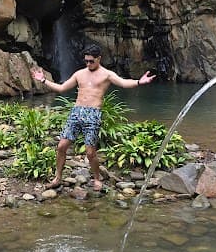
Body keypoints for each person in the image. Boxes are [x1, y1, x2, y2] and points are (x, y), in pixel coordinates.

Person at [31, 43, 155, 191]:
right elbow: (62, 88)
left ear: (99, 58)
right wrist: (44, 80)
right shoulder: (79, 74)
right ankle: (57, 178)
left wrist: (139, 82)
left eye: (91, 61)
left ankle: (97, 178)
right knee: (61, 146)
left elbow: (123, 83)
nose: (88, 64)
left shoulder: (107, 75)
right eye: (86, 61)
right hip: (76, 113)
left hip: (93, 115)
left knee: (90, 153)